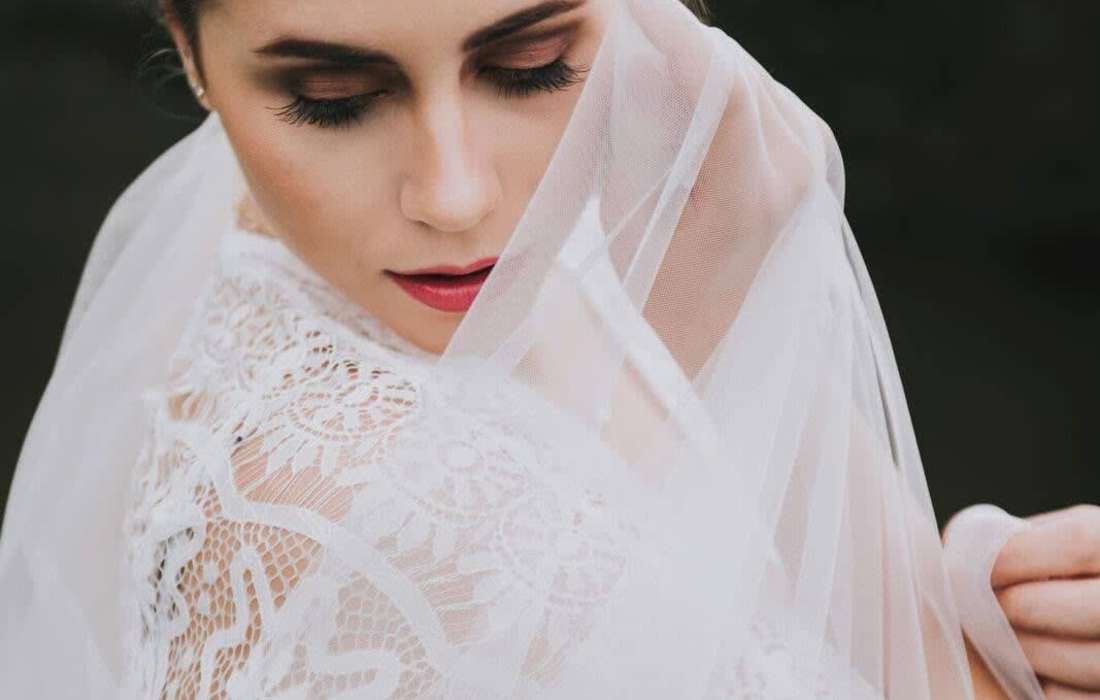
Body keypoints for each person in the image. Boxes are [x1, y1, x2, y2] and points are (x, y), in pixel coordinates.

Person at [0, 0, 1096, 697]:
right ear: (187, 50)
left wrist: (972, 594)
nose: (454, 197)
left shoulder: (573, 257)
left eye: (529, 67)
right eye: (332, 99)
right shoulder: (349, 512)